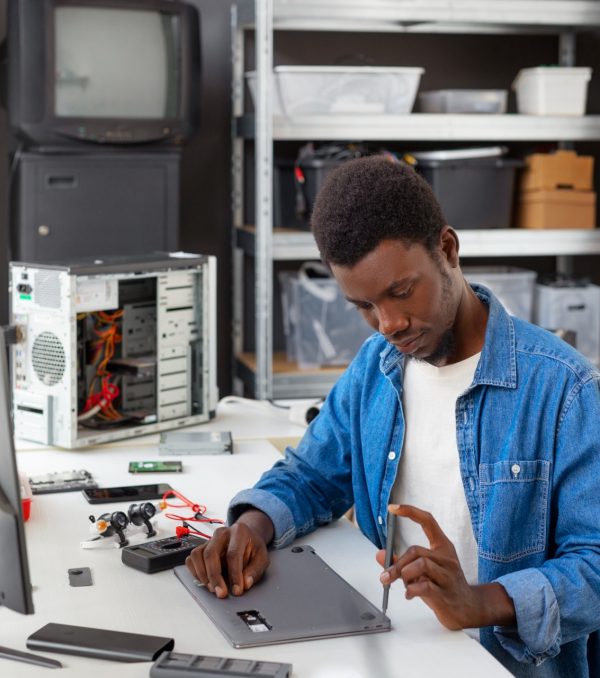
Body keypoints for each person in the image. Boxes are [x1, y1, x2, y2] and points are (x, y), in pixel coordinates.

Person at [187, 156, 600, 676]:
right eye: (363, 305)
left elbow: (595, 563)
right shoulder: (376, 368)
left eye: (401, 292)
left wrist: (481, 602)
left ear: (447, 249)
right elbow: (312, 475)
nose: (388, 323)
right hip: (393, 650)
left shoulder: (563, 387)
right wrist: (252, 525)